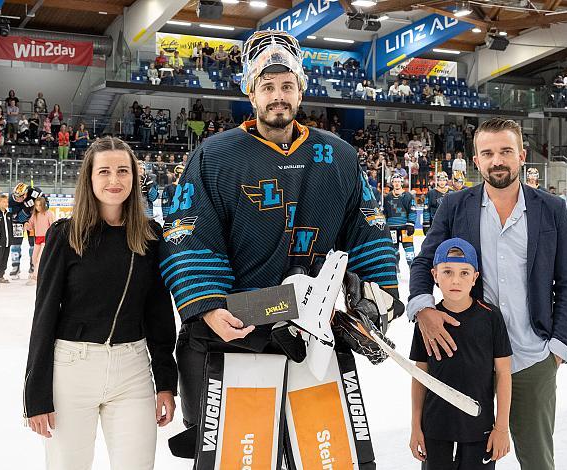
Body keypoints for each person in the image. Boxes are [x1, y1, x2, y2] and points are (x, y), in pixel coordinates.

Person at [158, 30, 400, 468]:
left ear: (301, 90)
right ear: (251, 94)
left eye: (286, 85)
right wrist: (210, 306)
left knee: (324, 459)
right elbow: (187, 232)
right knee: (239, 460)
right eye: (267, 87)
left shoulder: (340, 156)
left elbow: (369, 230)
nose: (278, 96)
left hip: (315, 335)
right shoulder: (215, 156)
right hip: (239, 331)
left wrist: (372, 304)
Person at [408, 118, 567, 470]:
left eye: (505, 151)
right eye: (487, 153)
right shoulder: (455, 205)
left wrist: (559, 347)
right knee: (474, 461)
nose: (497, 160)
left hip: (533, 359)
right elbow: (424, 260)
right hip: (472, 360)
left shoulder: (552, 209)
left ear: (521, 155)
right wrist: (423, 307)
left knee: (537, 461)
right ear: (476, 161)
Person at [23, 137, 178, 469]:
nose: (114, 180)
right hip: (72, 372)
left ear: (135, 178)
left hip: (132, 371)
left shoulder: (150, 236)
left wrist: (166, 381)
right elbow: (45, 314)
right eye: (104, 171)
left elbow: (158, 315)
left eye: (123, 171)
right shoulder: (65, 235)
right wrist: (35, 395)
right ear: (89, 178)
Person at [409, 238, 512, 470]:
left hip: (479, 428)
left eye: (464, 273)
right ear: (434, 275)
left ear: (475, 277)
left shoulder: (491, 317)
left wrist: (501, 428)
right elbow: (420, 376)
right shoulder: (426, 321)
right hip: (435, 428)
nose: (456, 280)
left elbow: (504, 374)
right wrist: (416, 425)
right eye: (447, 272)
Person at [9, 182, 44, 279]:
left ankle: (33, 266)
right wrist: (27, 208)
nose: (17, 198)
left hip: (33, 222)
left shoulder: (35, 193)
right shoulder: (11, 200)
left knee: (33, 245)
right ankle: (15, 266)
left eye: (20, 196)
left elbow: (46, 206)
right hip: (18, 223)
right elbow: (16, 217)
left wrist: (39, 202)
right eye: (16, 196)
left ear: (25, 193)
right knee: (15, 244)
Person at [383, 173, 417, 270]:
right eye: (395, 182)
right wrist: (384, 225)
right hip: (391, 228)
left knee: (409, 252)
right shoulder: (387, 197)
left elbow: (412, 211)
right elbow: (384, 212)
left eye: (398, 181)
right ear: (392, 183)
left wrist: (411, 224)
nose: (397, 183)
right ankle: (395, 270)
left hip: (405, 228)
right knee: (393, 252)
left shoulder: (408, 196)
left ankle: (413, 270)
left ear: (401, 182)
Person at [23, 196, 54, 286]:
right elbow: (31, 225)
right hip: (37, 239)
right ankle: (41, 273)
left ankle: (35, 277)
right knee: (34, 258)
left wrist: (51, 238)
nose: (38, 207)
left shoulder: (49, 214)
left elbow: (53, 227)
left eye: (40, 205)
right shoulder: (35, 215)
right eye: (36, 205)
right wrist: (26, 225)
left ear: (44, 205)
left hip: (46, 239)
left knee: (40, 258)